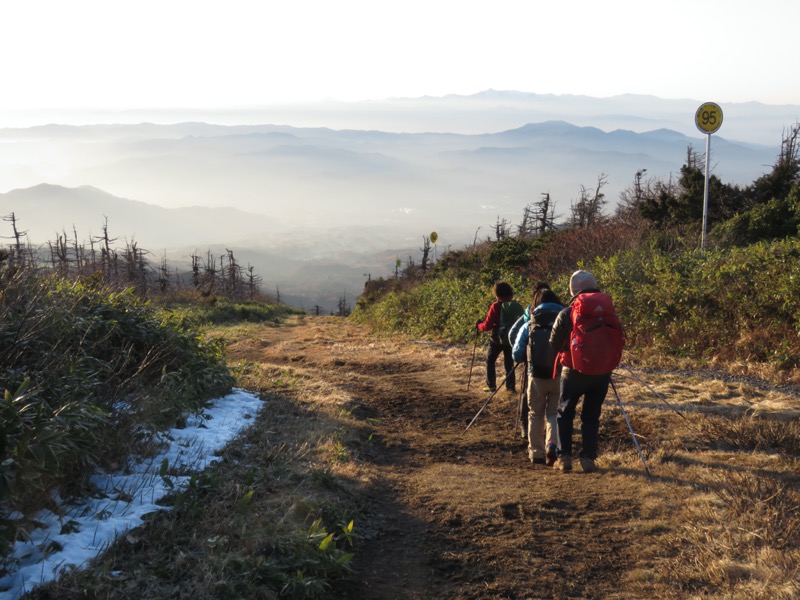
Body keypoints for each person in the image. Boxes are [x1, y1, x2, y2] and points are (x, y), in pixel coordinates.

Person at [549, 270, 624, 473]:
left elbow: (554, 343)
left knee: (565, 413)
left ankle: (564, 457)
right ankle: (588, 458)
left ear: (573, 290)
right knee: (591, 417)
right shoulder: (608, 311)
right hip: (602, 372)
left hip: (572, 371)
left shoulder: (567, 312)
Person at [512, 284, 564, 465]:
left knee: (535, 414)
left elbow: (516, 353)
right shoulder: (565, 319)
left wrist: (525, 358)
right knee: (554, 413)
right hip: (559, 374)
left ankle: (536, 453)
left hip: (536, 375)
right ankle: (553, 445)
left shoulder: (530, 323)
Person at [476, 281, 521, 393]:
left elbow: (487, 326)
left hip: (496, 339)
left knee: (490, 360)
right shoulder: (515, 306)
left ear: (497, 293)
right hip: (511, 339)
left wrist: (478, 325)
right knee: (509, 364)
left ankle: (491, 386)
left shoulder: (495, 306)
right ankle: (510, 388)